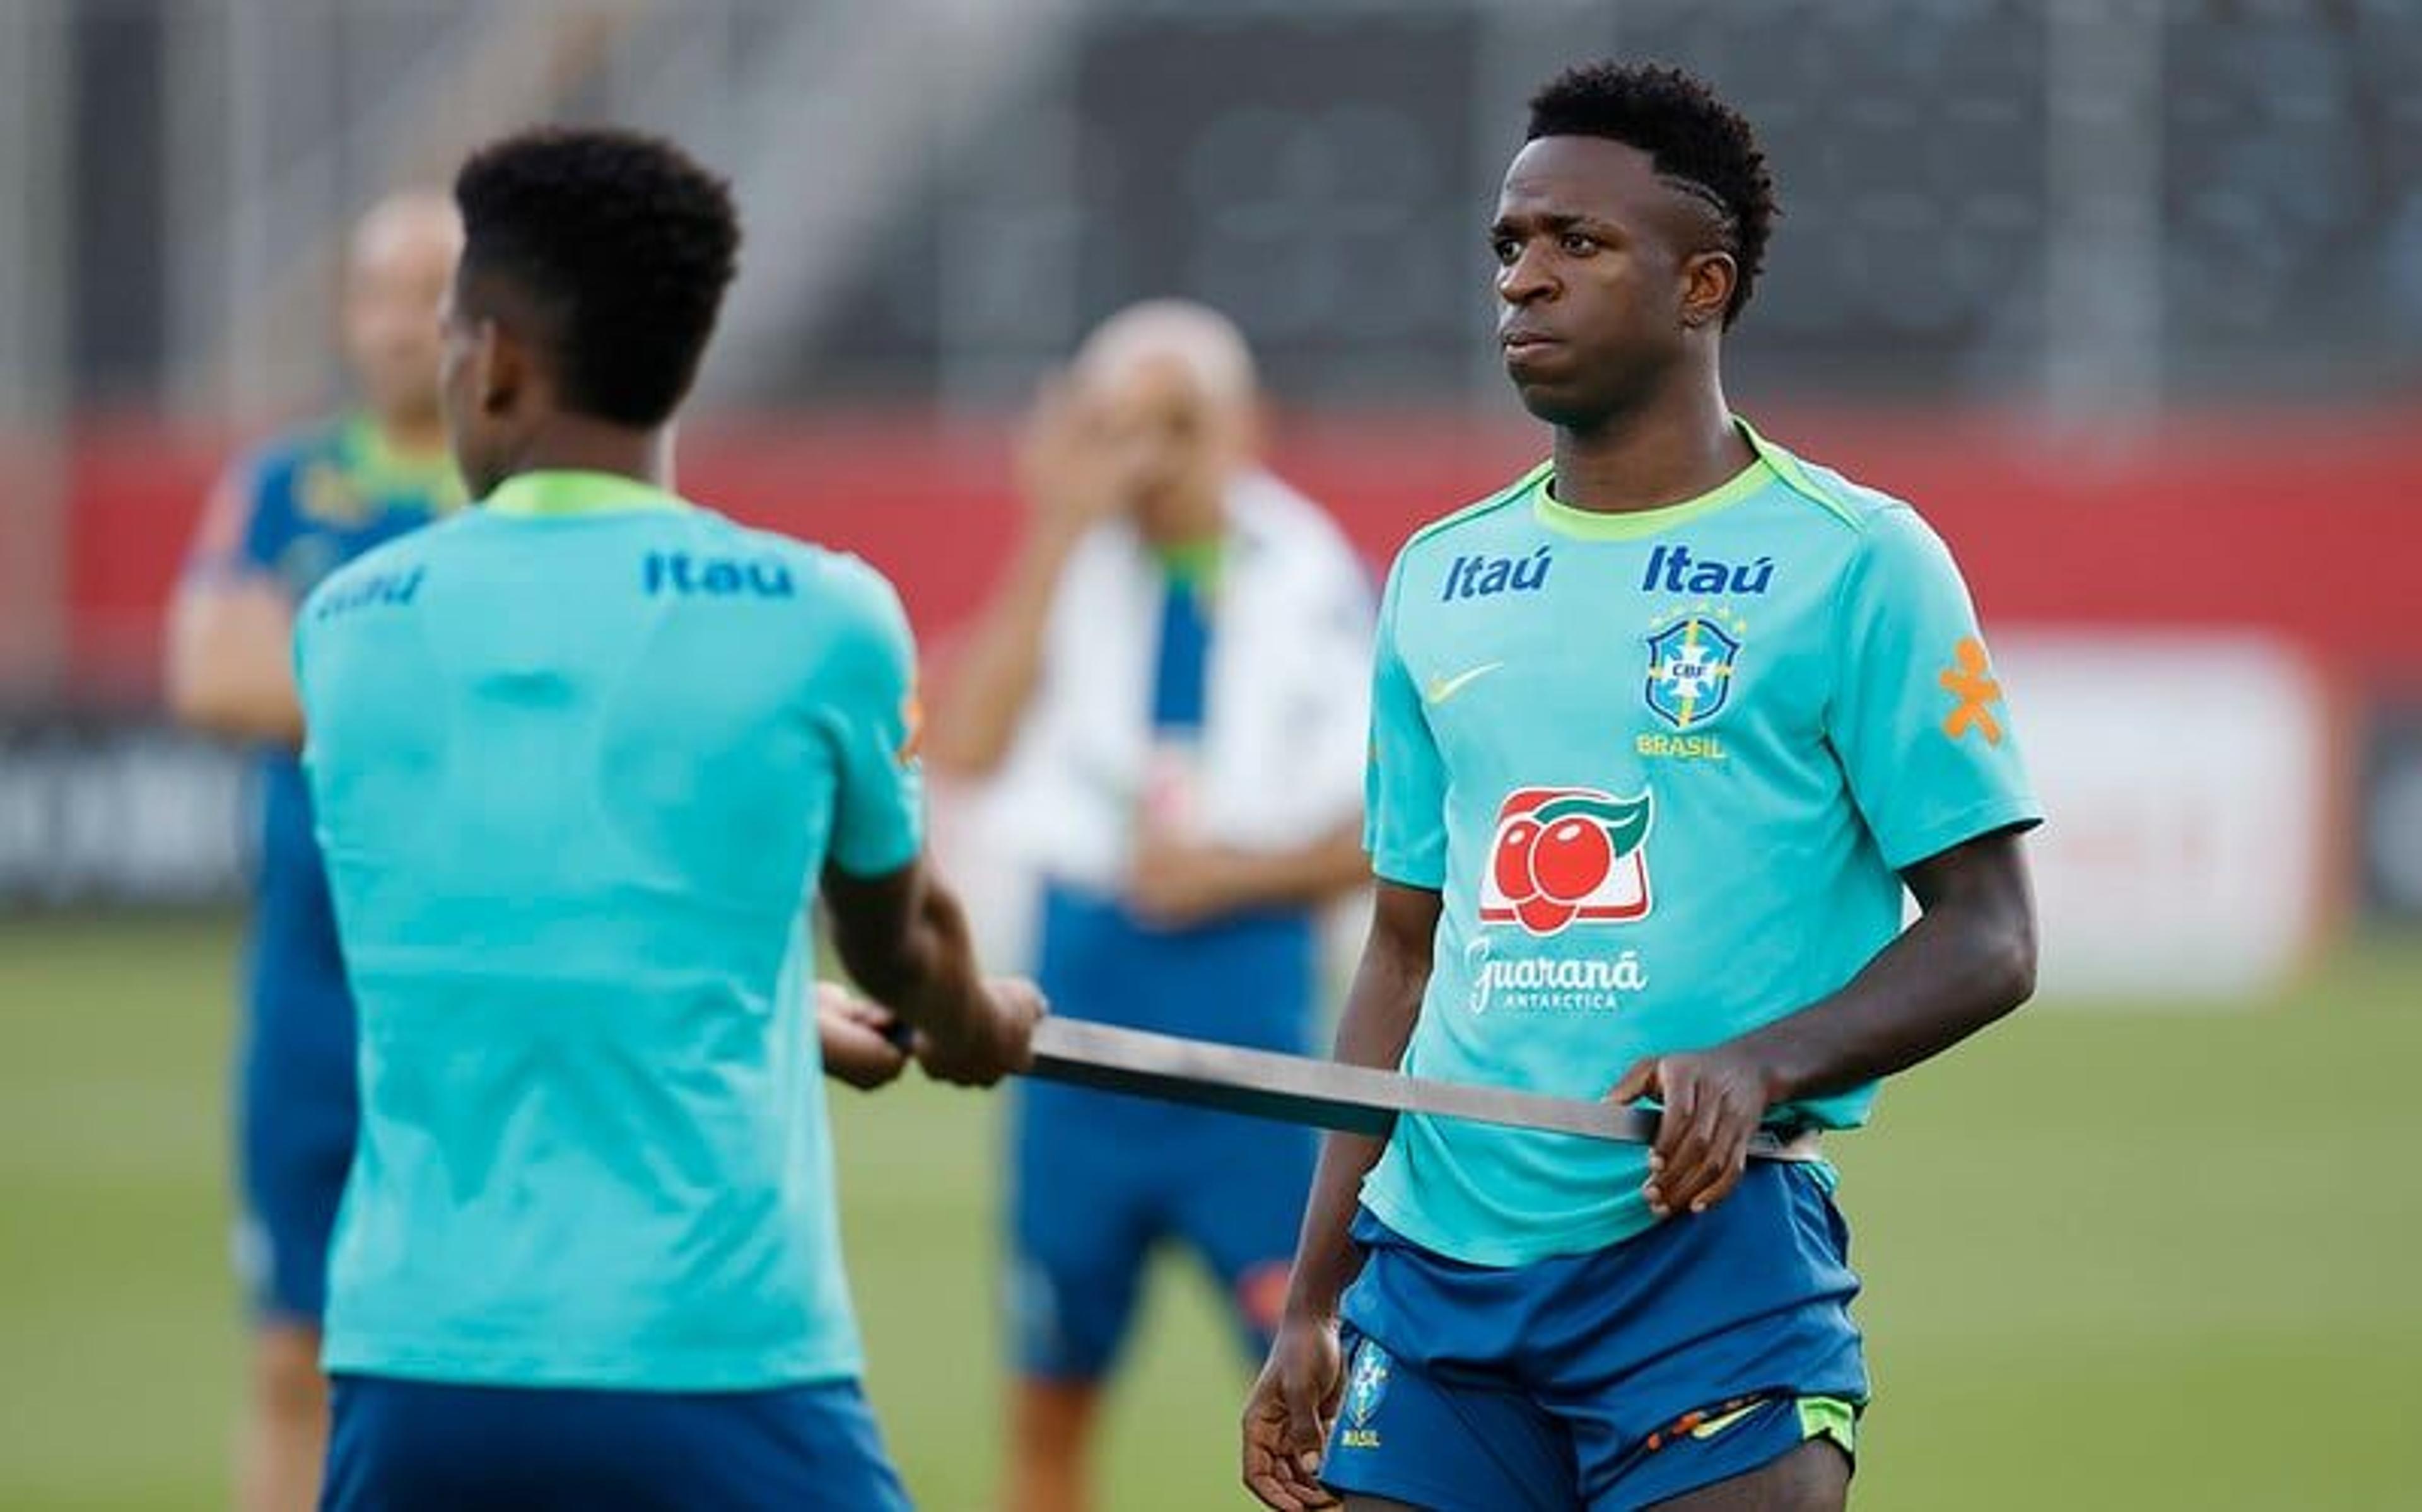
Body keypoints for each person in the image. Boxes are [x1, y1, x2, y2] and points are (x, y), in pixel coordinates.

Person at [1241, 61, 2042, 1512]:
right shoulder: (1439, 575)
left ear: (1703, 285)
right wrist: (1314, 1288)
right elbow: (1404, 950)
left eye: (1578, 245)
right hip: (1433, 1284)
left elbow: (1993, 933)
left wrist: (1759, 1062)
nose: (1525, 282)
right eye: (1509, 246)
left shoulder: (1859, 560)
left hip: (1709, 1269)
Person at [290, 125, 1042, 1508]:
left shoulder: (346, 628)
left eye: (453, 334)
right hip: (715, 1355)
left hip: (416, 1371)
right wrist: (968, 1019)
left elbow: (519, 912)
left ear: (500, 358)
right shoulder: (826, 616)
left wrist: (765, 997)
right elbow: (902, 948)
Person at [925, 301, 1374, 1512]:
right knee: (1049, 1404)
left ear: (1243, 428)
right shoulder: (1071, 559)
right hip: (1079, 1030)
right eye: (1121, 424)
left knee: (1318, 1417)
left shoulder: (1305, 571)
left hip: (1247, 1033)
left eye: (1179, 423)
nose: (1149, 454)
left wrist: (1227, 873)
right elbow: (962, 745)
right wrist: (1057, 520)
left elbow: (1388, 825)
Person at [164, 190, 465, 1512]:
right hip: (310, 990)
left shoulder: (521, 491)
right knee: (293, 1354)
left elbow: (264, 675)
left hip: (469, 989)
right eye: (382, 292)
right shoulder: (282, 480)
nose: (405, 325)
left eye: (437, 292)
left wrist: (313, 670)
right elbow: (210, 679)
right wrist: (432, 700)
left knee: (475, 1365)